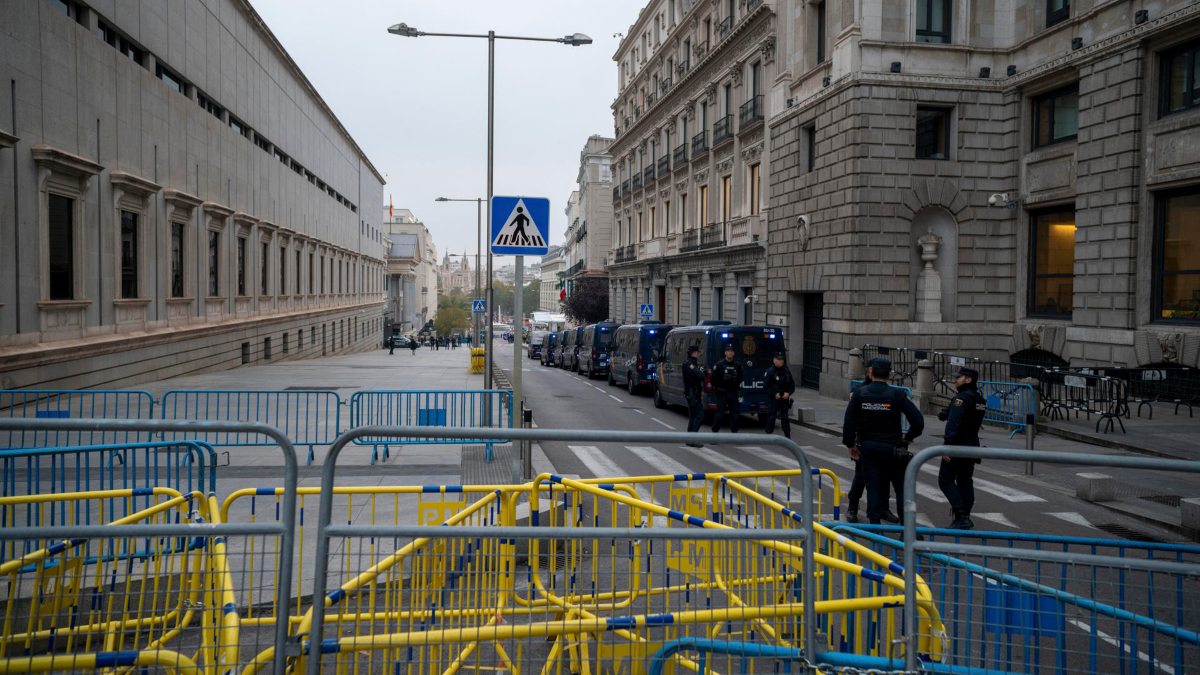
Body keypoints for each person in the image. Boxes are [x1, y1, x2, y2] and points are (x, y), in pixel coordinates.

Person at [842, 358, 924, 525]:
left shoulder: (860, 393)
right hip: (893, 448)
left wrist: (850, 444)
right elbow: (918, 421)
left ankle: (875, 527)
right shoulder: (897, 394)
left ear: (871, 372)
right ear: (889, 375)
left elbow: (849, 422)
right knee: (901, 489)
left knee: (873, 488)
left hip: (869, 447)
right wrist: (907, 438)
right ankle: (906, 528)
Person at [938, 367, 987, 530]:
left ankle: (962, 515)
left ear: (968, 380)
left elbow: (954, 424)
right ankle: (964, 516)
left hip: (957, 445)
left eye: (959, 378)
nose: (955, 380)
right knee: (965, 480)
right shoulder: (979, 399)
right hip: (972, 445)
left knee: (945, 479)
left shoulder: (961, 399)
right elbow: (968, 419)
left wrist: (947, 445)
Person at [710, 344, 743, 434]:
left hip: (733, 393)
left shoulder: (737, 365)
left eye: (731, 351)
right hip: (722, 393)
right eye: (728, 351)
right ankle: (715, 433)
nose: (730, 353)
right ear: (725, 353)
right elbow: (713, 379)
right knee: (720, 415)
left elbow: (740, 378)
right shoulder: (719, 365)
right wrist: (718, 387)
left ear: (734, 353)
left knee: (735, 415)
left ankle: (734, 434)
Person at [763, 353, 795, 439]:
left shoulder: (786, 371)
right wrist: (774, 394)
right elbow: (766, 387)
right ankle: (768, 434)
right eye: (778, 360)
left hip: (784, 399)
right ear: (774, 360)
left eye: (782, 360)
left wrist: (788, 393)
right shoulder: (770, 372)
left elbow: (792, 385)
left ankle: (787, 436)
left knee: (785, 418)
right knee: (772, 417)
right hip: (773, 399)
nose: (780, 362)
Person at [682, 344, 706, 446]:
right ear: (694, 353)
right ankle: (693, 439)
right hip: (693, 394)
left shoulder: (692, 363)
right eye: (697, 352)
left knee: (693, 416)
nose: (698, 354)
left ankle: (690, 438)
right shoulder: (689, 364)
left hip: (693, 393)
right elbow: (701, 375)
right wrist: (701, 371)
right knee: (699, 415)